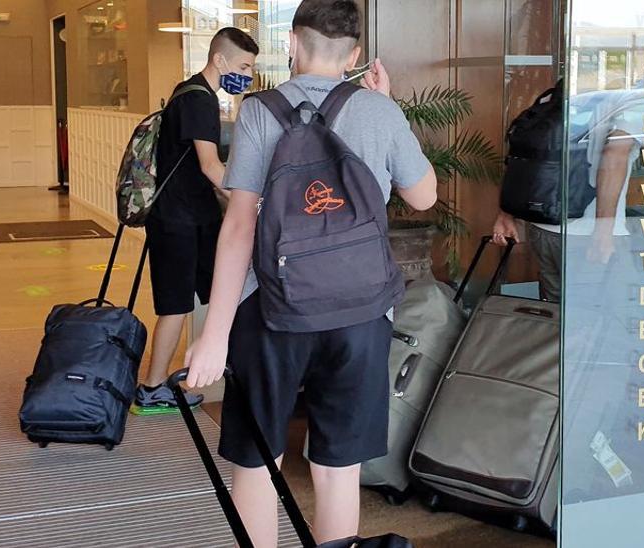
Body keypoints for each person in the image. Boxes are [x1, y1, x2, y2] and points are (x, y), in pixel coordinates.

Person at [182, 1, 438, 544]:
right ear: (357, 54)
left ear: (292, 43)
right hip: (362, 314)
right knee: (337, 467)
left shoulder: (259, 111)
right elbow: (424, 197)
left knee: (258, 462)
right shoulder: (379, 110)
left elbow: (238, 229)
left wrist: (215, 335)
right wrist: (386, 110)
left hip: (271, 311)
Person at [132, 27, 260, 415]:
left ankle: (218, 369)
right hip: (177, 221)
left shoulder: (191, 93)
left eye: (252, 68)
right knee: (175, 306)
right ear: (219, 60)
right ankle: (152, 387)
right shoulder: (199, 102)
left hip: (192, 218)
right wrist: (248, 200)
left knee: (223, 293)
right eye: (243, 66)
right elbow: (210, 167)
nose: (248, 75)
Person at [492, 89, 644, 302]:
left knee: (556, 315)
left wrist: (506, 214)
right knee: (596, 315)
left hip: (542, 226)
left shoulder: (557, 94)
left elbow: (523, 155)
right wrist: (604, 230)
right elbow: (613, 157)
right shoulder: (631, 99)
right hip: (587, 233)